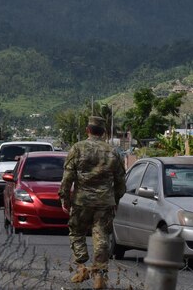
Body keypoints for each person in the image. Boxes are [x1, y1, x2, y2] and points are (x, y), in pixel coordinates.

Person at [60, 115, 125, 289]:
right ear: (103, 132)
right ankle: (99, 276)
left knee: (76, 233)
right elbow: (121, 181)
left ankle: (81, 267)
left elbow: (68, 177)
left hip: (82, 200)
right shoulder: (112, 151)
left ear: (88, 130)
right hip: (104, 201)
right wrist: (116, 199)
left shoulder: (77, 148)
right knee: (102, 236)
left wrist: (64, 198)